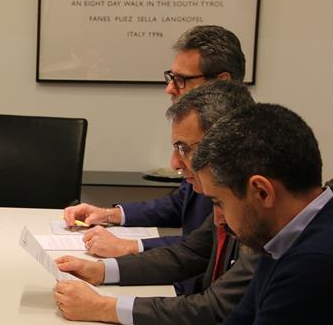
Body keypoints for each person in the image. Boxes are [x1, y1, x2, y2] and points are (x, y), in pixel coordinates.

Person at [41, 103, 333, 325]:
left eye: (219, 203)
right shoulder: (291, 233)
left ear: (262, 191)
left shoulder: (317, 264)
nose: (219, 220)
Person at [53, 80, 259, 325]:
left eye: (183, 148)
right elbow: (189, 253)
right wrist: (100, 271)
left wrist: (104, 307)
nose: (174, 163)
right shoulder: (230, 196)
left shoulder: (259, 217)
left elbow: (212, 310)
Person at [64, 25, 246, 255]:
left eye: (181, 79)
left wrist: (130, 246)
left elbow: (209, 245)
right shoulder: (206, 130)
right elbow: (181, 203)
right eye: (171, 77)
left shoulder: (242, 147)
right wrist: (110, 214)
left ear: (222, 82)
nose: (170, 88)